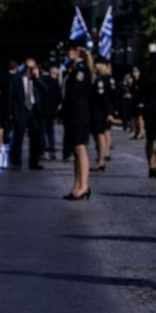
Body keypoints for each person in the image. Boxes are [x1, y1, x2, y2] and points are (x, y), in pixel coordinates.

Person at [62, 45, 94, 200]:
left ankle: (84, 186)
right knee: (75, 150)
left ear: (76, 52)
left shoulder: (81, 70)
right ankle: (77, 185)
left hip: (79, 115)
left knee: (80, 149)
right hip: (73, 115)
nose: (68, 53)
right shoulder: (74, 68)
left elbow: (75, 95)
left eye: (70, 50)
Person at [9, 58, 44, 170]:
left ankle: (33, 162)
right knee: (18, 137)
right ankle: (16, 162)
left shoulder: (36, 79)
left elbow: (45, 90)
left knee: (35, 138)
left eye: (32, 67)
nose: (30, 70)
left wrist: (36, 78)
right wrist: (11, 112)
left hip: (33, 110)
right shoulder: (16, 79)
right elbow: (11, 96)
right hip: (21, 110)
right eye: (28, 67)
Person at [90, 61, 114, 171]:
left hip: (98, 111)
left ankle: (101, 160)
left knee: (99, 135)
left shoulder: (99, 80)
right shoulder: (109, 79)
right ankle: (103, 157)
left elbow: (102, 96)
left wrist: (108, 112)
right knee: (104, 133)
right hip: (105, 110)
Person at [38, 65, 61, 161]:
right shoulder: (55, 83)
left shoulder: (45, 80)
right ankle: (49, 150)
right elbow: (59, 98)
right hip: (49, 110)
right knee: (49, 131)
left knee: (45, 131)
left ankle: (45, 151)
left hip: (45, 110)